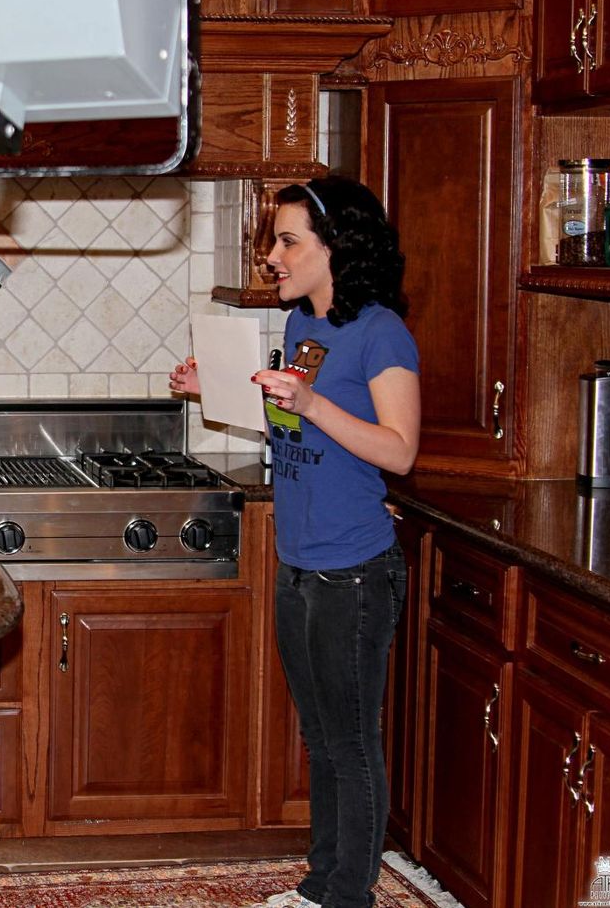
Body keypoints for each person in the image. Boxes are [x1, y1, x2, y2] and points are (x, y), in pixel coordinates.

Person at [170, 175, 420, 908]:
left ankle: (348, 895)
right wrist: (219, 391)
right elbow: (294, 427)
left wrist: (309, 401)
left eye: (287, 242)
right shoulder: (301, 328)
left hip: (354, 567)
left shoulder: (380, 331)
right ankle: (321, 886)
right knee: (320, 736)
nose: (272, 257)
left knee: (351, 742)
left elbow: (399, 449)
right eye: (272, 242)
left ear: (335, 246)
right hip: (299, 561)